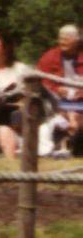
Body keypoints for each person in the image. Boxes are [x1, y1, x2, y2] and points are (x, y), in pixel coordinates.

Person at [36, 24, 83, 154]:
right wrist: (57, 89)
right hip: (57, 102)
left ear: (77, 40)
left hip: (80, 102)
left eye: (66, 39)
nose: (62, 42)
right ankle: (67, 141)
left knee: (77, 116)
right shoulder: (49, 57)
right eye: (60, 38)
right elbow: (41, 81)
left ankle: (70, 142)